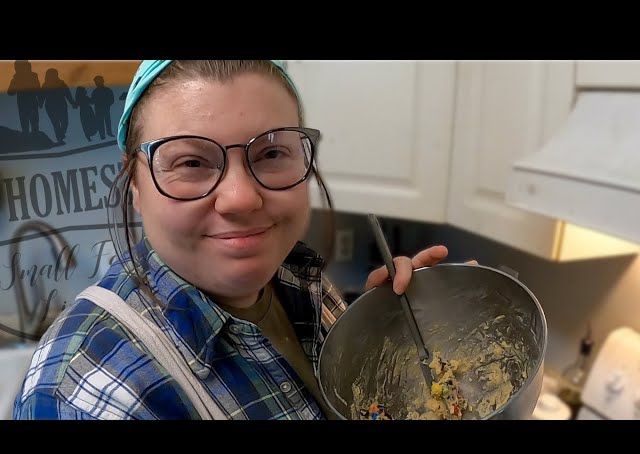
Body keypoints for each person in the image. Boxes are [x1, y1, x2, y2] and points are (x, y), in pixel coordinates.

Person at [13, 60, 450, 420]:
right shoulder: (84, 398)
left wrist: (382, 342)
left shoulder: (300, 281)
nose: (241, 198)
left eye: (272, 153)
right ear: (136, 188)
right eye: (191, 162)